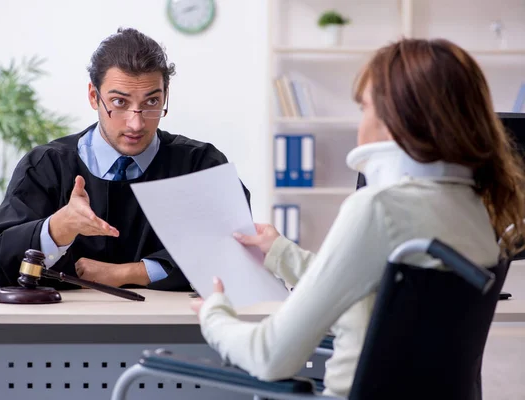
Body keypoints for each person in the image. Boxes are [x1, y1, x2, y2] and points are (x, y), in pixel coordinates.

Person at [191, 38, 525, 397]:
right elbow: (369, 287)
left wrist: (214, 315)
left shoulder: (379, 208)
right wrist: (280, 252)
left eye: (364, 107)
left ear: (398, 119)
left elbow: (269, 355)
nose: (360, 125)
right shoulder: (479, 212)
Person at [0, 28, 250, 291]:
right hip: (64, 327)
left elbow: (236, 248)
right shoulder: (47, 166)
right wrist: (57, 229)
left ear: (165, 95)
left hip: (175, 326)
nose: (136, 123)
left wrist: (127, 273)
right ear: (94, 96)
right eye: (120, 102)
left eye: (152, 102)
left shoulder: (200, 165)